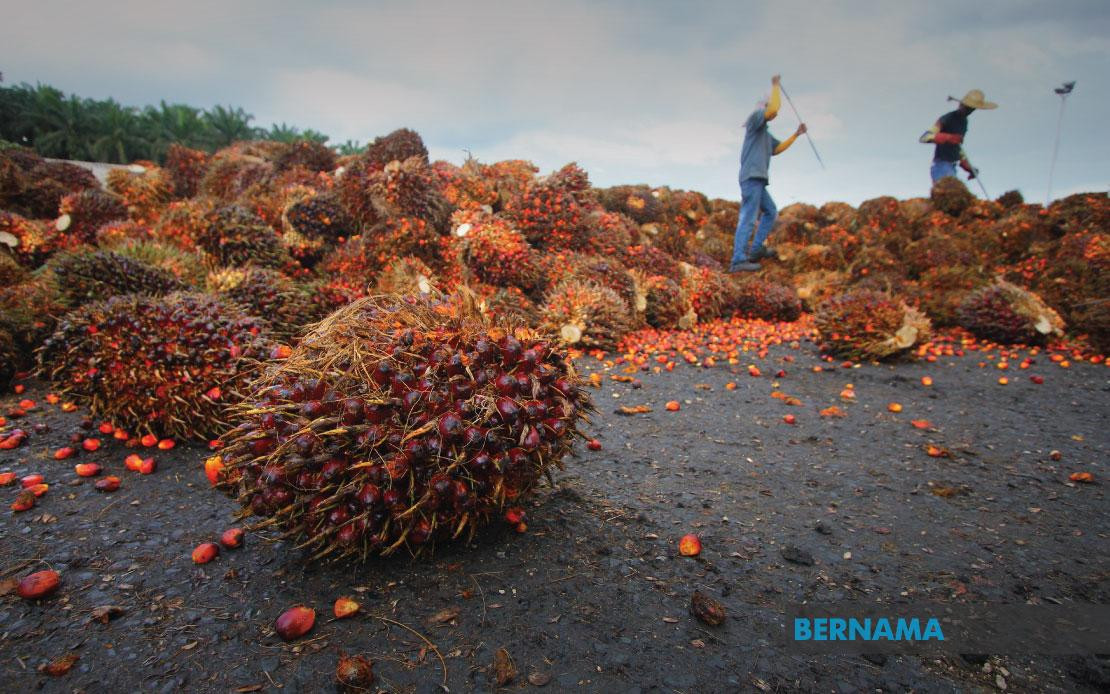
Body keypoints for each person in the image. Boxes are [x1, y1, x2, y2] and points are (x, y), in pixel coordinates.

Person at [729, 74, 806, 273]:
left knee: (770, 211)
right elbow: (772, 110)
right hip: (751, 178)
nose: (774, 114)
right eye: (769, 109)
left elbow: (777, 149)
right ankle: (738, 260)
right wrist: (775, 86)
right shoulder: (755, 120)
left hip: (759, 179)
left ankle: (755, 250)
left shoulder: (764, 133)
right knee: (748, 216)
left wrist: (796, 135)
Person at [919, 89, 997, 185]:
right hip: (941, 165)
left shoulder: (964, 122)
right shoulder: (947, 118)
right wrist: (948, 137)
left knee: (957, 192)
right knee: (951, 192)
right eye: (967, 107)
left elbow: (958, 146)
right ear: (961, 104)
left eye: (972, 109)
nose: (969, 111)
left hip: (952, 166)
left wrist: (967, 166)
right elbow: (925, 137)